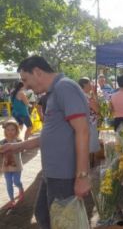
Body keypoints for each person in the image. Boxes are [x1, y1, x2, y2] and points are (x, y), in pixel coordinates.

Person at [0, 56, 91, 228]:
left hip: (63, 174)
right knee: (44, 214)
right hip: (52, 172)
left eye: (25, 80)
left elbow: (83, 131)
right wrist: (16, 146)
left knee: (61, 221)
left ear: (38, 72)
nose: (25, 86)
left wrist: (82, 176)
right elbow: (50, 136)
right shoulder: (53, 92)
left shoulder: (65, 87)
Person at [1, 120, 24, 209]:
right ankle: (12, 200)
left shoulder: (19, 141)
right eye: (8, 130)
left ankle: (20, 189)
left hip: (17, 166)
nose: (10, 132)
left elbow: (22, 150)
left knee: (16, 181)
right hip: (6, 167)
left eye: (12, 129)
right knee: (9, 183)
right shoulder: (2, 142)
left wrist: (17, 147)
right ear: (5, 131)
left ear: (17, 130)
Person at [78, 77, 100, 154]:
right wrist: (94, 93)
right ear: (85, 84)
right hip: (90, 123)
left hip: (81, 123)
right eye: (90, 83)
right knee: (90, 148)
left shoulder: (78, 95)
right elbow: (97, 109)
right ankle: (90, 164)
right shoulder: (87, 97)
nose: (91, 85)